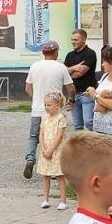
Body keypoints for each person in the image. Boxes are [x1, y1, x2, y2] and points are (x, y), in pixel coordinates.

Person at [23, 41, 74, 179]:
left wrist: (38, 100)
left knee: (34, 136)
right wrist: (71, 99)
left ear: (43, 52)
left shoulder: (34, 66)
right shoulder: (61, 67)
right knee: (55, 137)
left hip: (37, 109)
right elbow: (70, 88)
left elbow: (27, 88)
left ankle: (30, 159)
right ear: (56, 52)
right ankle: (53, 168)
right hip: (55, 111)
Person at [36, 90, 69, 209]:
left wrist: (51, 150)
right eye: (45, 105)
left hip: (57, 151)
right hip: (45, 151)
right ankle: (45, 199)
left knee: (60, 175)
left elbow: (59, 136)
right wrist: (44, 148)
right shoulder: (44, 118)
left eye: (49, 105)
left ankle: (63, 201)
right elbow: (41, 133)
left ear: (57, 105)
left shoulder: (61, 118)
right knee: (45, 175)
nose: (46, 107)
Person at [64, 29, 100, 131]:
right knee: (77, 125)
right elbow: (64, 73)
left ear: (84, 40)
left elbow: (78, 74)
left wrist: (70, 70)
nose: (73, 42)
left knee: (89, 122)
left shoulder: (90, 53)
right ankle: (80, 142)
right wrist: (75, 67)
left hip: (87, 94)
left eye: (75, 40)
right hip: (73, 95)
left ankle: (96, 140)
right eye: (72, 40)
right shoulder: (69, 55)